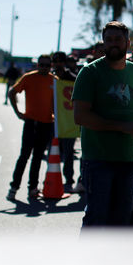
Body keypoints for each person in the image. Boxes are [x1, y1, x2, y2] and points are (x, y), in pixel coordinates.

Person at [72, 21, 133, 229]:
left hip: (129, 160)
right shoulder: (89, 72)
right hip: (98, 160)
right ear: (103, 43)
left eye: (118, 39)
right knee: (97, 219)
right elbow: (81, 117)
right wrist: (123, 127)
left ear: (128, 43)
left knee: (122, 221)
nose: (113, 44)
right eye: (109, 40)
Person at [7, 55, 56, 200]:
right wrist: (18, 113)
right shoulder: (29, 77)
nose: (44, 68)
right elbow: (12, 92)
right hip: (31, 122)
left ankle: (33, 189)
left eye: (47, 65)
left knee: (38, 157)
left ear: (50, 66)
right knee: (24, 156)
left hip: (46, 123)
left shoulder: (54, 81)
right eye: (42, 65)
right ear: (37, 65)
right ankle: (13, 188)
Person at [51, 51, 80, 193]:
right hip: (52, 121)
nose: (57, 64)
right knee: (53, 152)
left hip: (68, 122)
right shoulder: (50, 78)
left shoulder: (73, 79)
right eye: (55, 61)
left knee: (68, 153)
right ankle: (50, 179)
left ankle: (68, 179)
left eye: (60, 61)